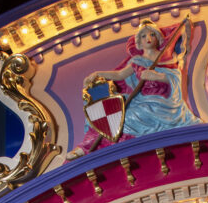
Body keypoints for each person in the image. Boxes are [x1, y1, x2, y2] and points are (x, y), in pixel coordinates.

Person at [67, 19, 200, 160]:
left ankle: (107, 146)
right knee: (110, 112)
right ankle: (85, 146)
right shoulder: (137, 61)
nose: (148, 39)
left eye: (152, 35)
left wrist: (158, 76)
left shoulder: (167, 59)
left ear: (158, 37)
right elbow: (119, 74)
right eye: (143, 36)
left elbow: (175, 78)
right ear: (139, 42)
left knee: (124, 118)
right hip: (142, 101)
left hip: (161, 105)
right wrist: (98, 74)